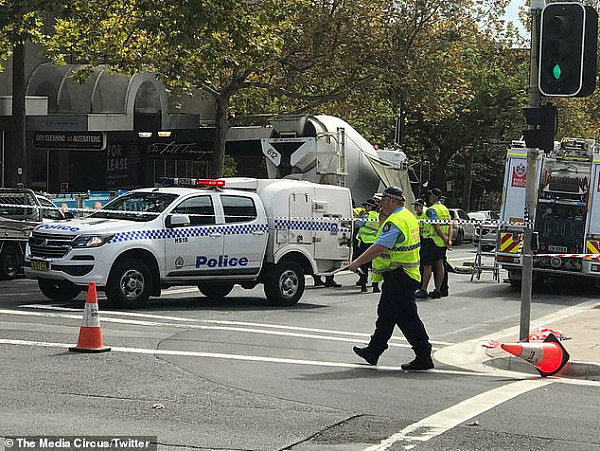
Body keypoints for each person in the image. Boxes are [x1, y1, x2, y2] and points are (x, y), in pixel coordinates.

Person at [349, 186, 434, 370]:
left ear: (390, 201)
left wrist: (356, 262)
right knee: (387, 314)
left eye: (382, 201)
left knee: (406, 318)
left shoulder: (395, 221)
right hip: (403, 274)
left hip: (400, 276)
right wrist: (381, 218)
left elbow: (380, 246)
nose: (379, 205)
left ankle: (423, 354)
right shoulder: (406, 216)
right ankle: (374, 351)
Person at [415, 188, 451, 299]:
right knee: (440, 265)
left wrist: (445, 238)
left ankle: (424, 289)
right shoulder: (444, 209)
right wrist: (448, 240)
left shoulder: (432, 210)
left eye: (430, 195)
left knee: (427, 266)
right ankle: (437, 290)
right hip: (441, 244)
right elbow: (450, 225)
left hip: (431, 241)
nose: (429, 196)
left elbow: (435, 225)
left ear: (434, 197)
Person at [355, 198, 380, 293]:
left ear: (370, 207)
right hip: (375, 244)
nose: (365, 207)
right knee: (375, 266)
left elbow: (359, 225)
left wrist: (358, 217)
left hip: (364, 243)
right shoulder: (378, 216)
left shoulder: (366, 215)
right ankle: (375, 286)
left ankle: (363, 285)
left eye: (366, 206)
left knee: (363, 265)